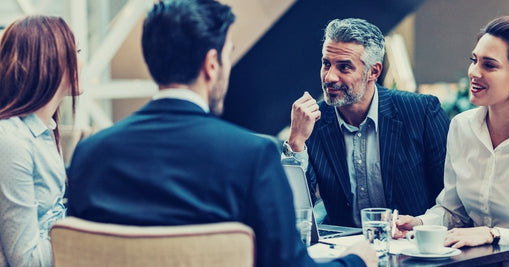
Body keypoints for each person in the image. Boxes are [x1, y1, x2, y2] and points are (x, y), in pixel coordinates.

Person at [66, 1, 377, 266]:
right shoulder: (252, 157)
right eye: (227, 55)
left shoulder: (90, 153)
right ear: (212, 64)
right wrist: (358, 258)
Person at [283, 18, 450, 228]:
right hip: (344, 253)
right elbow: (289, 206)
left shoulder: (421, 112)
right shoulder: (312, 122)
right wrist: (296, 143)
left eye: (344, 67)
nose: (329, 76)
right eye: (326, 64)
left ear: (374, 71)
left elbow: (451, 198)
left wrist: (422, 225)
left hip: (414, 247)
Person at [395, 15, 509, 262]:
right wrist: (419, 223)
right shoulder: (461, 126)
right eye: (474, 60)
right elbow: (452, 209)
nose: (474, 72)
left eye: (489, 65)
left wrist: (494, 235)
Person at [0, 15, 80, 266]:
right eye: (75, 51)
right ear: (50, 62)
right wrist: (88, 232)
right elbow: (26, 260)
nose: (81, 59)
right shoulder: (12, 141)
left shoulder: (44, 132)